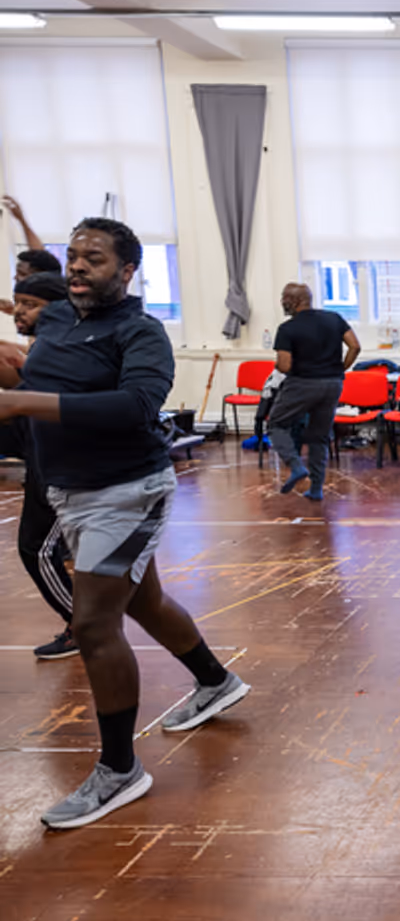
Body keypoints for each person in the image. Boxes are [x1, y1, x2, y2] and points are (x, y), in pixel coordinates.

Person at [0, 217, 250, 829]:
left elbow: (135, 406)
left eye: (95, 259)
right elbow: (40, 378)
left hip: (128, 491)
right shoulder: (57, 319)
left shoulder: (142, 333)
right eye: (73, 257)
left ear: (127, 271)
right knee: (144, 600)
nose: (79, 267)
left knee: (92, 622)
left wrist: (21, 402)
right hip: (70, 490)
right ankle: (215, 682)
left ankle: (119, 770)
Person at [2, 273, 77, 659]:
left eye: (29, 303)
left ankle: (83, 626)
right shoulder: (47, 342)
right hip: (37, 446)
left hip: (59, 460)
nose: (19, 310)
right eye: (18, 301)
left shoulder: (61, 346)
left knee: (36, 549)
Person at [268, 283, 361, 501]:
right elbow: (355, 346)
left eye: (284, 297)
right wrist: (340, 368)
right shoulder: (334, 318)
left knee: (276, 424)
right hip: (332, 384)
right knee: (319, 436)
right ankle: (316, 488)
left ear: (294, 300)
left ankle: (296, 465)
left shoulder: (287, 328)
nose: (282, 302)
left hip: (302, 384)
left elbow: (284, 365)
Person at [4, 195, 62, 316]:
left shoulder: (59, 308)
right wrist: (21, 220)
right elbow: (39, 252)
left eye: (22, 274)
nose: (16, 278)